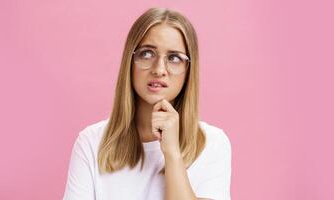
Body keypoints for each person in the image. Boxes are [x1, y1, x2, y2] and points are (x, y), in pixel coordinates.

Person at [63, 7, 232, 200]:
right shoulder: (91, 143)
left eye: (174, 58)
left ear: (188, 71)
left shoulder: (212, 143)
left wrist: (172, 154)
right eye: (147, 54)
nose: (159, 69)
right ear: (130, 60)